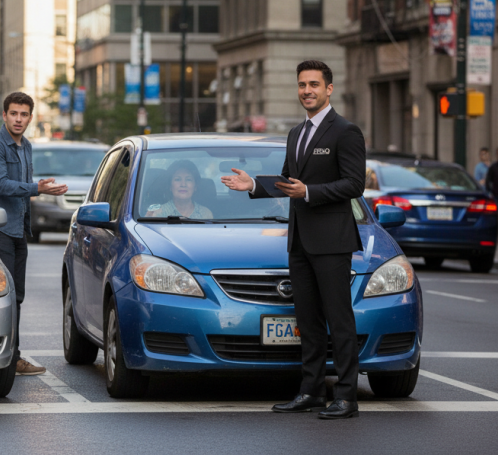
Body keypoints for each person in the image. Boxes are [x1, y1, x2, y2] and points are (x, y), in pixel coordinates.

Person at [222, 60, 365, 420]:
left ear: (329, 89)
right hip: (299, 241)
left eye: (314, 84)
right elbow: (287, 181)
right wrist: (253, 185)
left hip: (332, 241)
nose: (307, 91)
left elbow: (354, 184)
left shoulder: (345, 131)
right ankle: (311, 391)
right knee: (309, 321)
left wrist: (310, 191)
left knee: (339, 319)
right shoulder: (295, 134)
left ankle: (346, 397)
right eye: (302, 84)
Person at [0, 91, 68, 376]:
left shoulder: (26, 146)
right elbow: (2, 185)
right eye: (13, 113)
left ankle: (12, 356)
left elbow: (20, 190)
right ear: (4, 115)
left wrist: (37, 191)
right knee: (1, 297)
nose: (18, 119)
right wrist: (38, 189)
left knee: (16, 297)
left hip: (18, 231)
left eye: (24, 114)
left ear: (30, 117)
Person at [145, 160, 214, 219]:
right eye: (177, 179)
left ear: (195, 186)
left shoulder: (205, 214)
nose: (183, 184)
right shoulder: (158, 213)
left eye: (188, 179)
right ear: (170, 186)